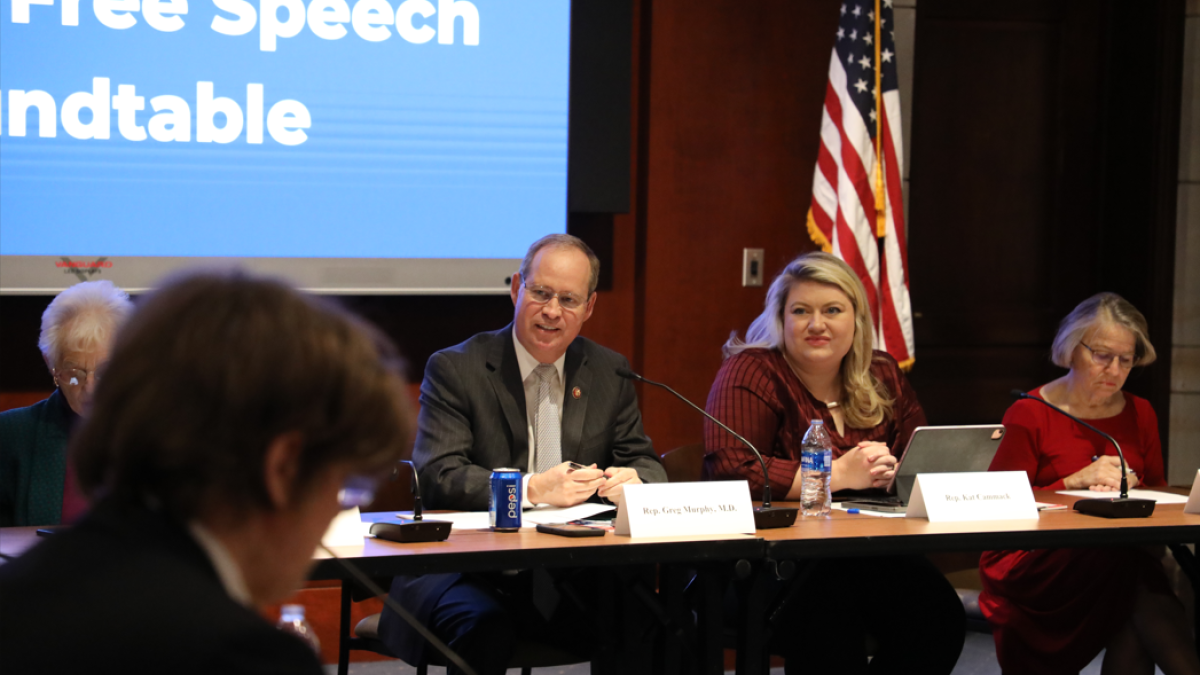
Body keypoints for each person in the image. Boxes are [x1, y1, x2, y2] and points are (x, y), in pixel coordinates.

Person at [0, 270, 414, 675]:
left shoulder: (19, 599)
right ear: (283, 468)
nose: (336, 512)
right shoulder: (244, 657)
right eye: (347, 487)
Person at [378, 234, 666, 675]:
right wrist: (531, 488)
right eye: (541, 292)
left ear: (588, 308)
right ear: (516, 289)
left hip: (567, 571)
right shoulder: (457, 368)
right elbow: (440, 473)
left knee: (656, 617)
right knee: (483, 627)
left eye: (568, 299)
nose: (552, 310)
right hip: (468, 569)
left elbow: (647, 463)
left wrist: (636, 481)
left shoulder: (608, 371)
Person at [704, 251, 965, 675]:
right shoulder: (750, 370)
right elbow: (732, 471)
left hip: (870, 551)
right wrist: (835, 476)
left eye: (832, 310)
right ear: (780, 319)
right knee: (830, 627)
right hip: (771, 563)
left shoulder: (882, 372)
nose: (816, 324)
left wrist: (893, 472)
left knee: (939, 620)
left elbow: (917, 459)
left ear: (856, 320)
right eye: (801, 311)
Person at [980, 293, 1200, 675]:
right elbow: (997, 505)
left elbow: (1160, 493)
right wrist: (1072, 482)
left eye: (1126, 360)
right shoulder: (1030, 411)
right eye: (1102, 355)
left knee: (1133, 582)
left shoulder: (1141, 412)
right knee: (1135, 575)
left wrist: (1134, 493)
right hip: (1036, 560)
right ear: (1071, 348)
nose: (1114, 370)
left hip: (1116, 553)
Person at [0, 279, 134, 527]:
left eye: (104, 372)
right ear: (51, 365)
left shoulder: (161, 435)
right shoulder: (12, 435)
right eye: (74, 374)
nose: (90, 389)